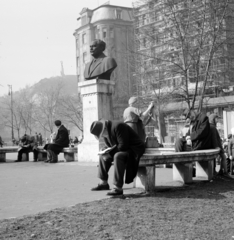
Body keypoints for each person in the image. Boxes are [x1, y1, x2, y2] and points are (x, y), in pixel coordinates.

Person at [90, 119, 145, 196]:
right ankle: (103, 183)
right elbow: (111, 145)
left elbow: (123, 146)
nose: (102, 136)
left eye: (101, 134)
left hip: (134, 148)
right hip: (124, 148)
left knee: (118, 156)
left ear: (104, 129)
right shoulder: (106, 131)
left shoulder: (118, 126)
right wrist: (104, 150)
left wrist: (109, 153)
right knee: (102, 156)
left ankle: (117, 187)